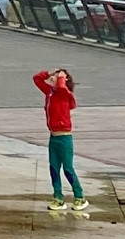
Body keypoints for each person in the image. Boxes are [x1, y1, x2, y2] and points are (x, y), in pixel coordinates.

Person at [34, 68, 87, 211]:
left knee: (68, 169)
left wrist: (62, 77)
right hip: (54, 137)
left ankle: (80, 197)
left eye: (57, 77)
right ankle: (58, 198)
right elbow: (36, 79)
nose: (53, 78)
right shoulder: (50, 93)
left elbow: (62, 87)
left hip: (64, 138)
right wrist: (50, 72)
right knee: (54, 168)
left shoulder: (65, 94)